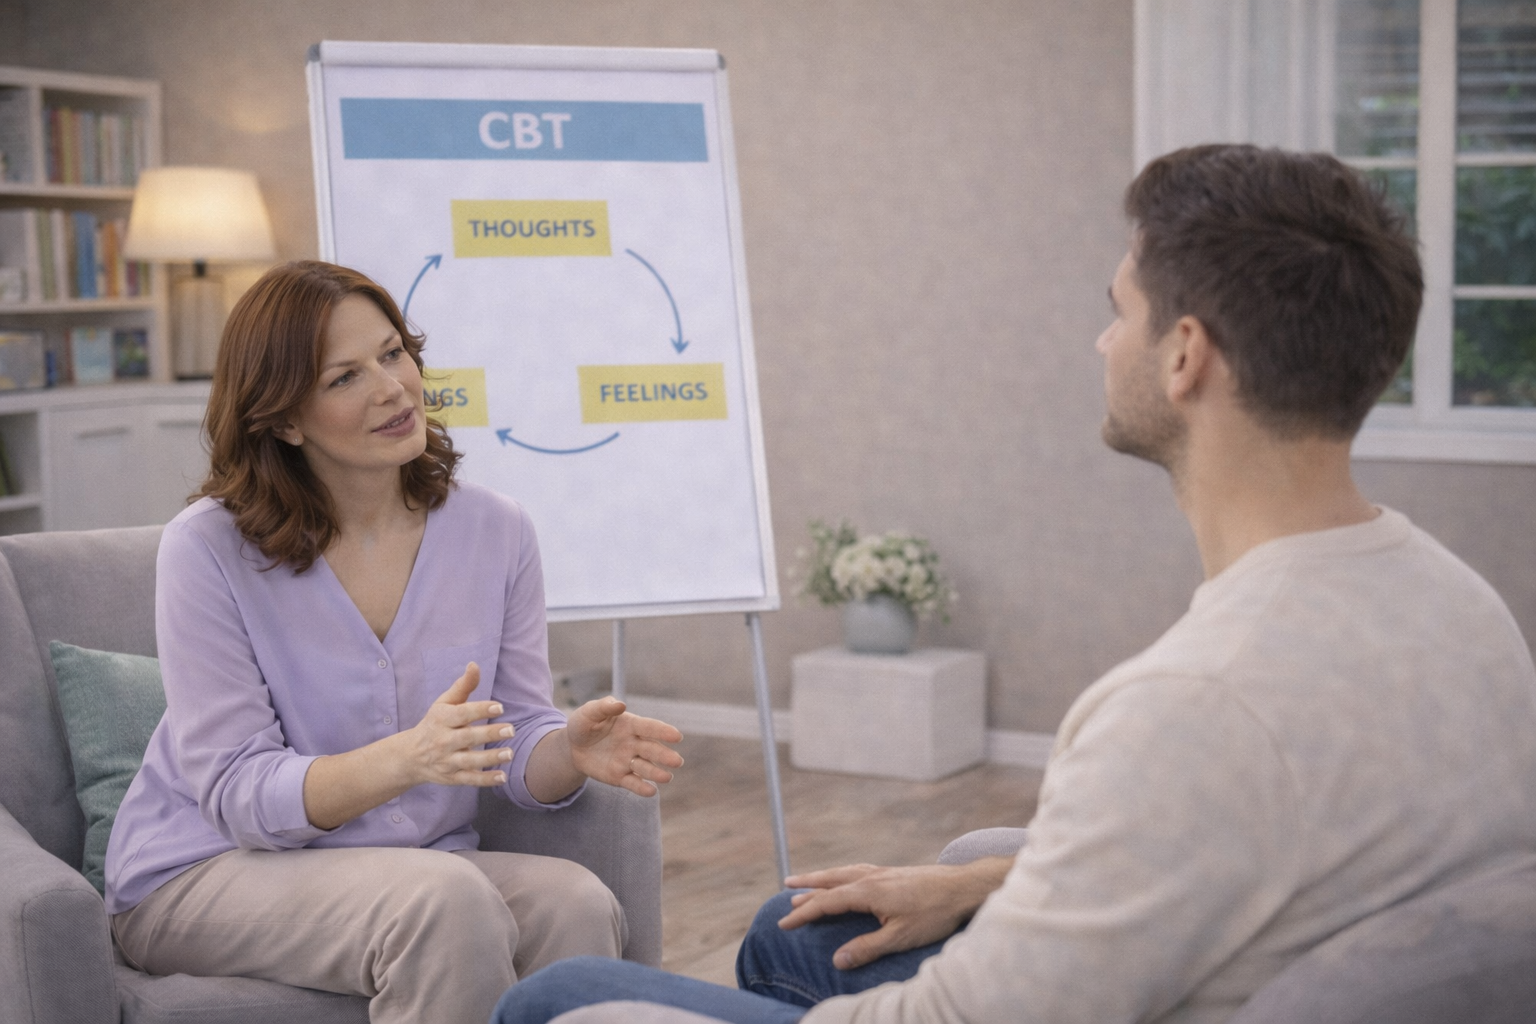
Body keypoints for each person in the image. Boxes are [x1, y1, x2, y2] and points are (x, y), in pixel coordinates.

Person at [492, 144, 1536, 1024]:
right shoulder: (1462, 605)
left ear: (1185, 356)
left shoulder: (1189, 704)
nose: (1102, 340)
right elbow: (1242, 845)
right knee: (789, 931)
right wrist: (984, 882)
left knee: (563, 995)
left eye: (1119, 310)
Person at [103, 260, 686, 1024]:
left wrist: (566, 751)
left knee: (576, 901)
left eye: (392, 353)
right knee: (442, 901)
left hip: (411, 867)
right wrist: (408, 758)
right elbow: (238, 795)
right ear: (285, 419)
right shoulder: (207, 549)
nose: (391, 388)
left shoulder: (496, 530)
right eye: (345, 377)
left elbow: (511, 735)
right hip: (206, 868)